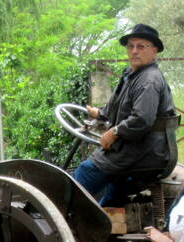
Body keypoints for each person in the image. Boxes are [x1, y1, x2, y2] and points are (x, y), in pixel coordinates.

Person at [73, 23, 177, 205]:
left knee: (86, 171)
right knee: (112, 196)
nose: (134, 51)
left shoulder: (148, 80)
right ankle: (101, 223)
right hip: (142, 150)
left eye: (141, 46)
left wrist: (114, 133)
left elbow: (141, 120)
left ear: (154, 51)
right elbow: (119, 106)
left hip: (142, 152)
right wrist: (100, 113)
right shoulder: (133, 74)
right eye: (131, 46)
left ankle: (59, 217)